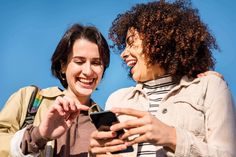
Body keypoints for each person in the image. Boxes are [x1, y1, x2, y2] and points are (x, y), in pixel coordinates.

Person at [89, 1, 236, 156]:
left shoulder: (210, 87)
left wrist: (172, 137)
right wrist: (94, 153)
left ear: (159, 40)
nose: (123, 53)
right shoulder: (116, 99)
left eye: (131, 43)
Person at [0, 23, 110, 157]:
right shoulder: (29, 99)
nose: (88, 71)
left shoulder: (106, 124)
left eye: (96, 63)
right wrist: (38, 135)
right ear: (63, 65)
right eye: (79, 61)